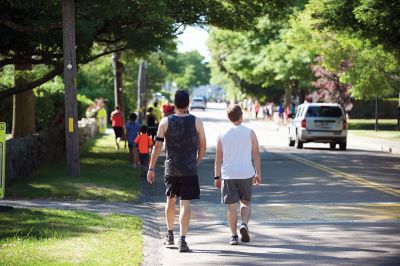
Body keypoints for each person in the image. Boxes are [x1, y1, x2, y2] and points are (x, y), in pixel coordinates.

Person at [147, 90, 206, 253]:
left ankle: (170, 235)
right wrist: (197, 161)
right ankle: (183, 240)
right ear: (187, 104)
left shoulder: (165, 122)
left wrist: (151, 168)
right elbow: (203, 145)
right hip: (189, 169)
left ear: (174, 104)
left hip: (171, 168)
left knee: (170, 200)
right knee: (185, 203)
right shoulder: (197, 121)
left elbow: (157, 146)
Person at [214, 104, 261, 245]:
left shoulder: (222, 134)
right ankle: (244, 224)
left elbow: (218, 158)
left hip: (228, 174)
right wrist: (258, 173)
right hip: (246, 173)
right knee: (245, 202)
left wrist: (217, 176)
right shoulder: (250, 132)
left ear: (229, 117)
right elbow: (256, 155)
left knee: (231, 206)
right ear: (241, 116)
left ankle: (233, 236)